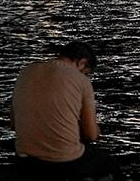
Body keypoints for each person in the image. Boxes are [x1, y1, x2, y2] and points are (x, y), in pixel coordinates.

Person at [10, 41, 122, 180]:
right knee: (110, 165)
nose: (85, 76)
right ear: (82, 63)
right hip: (63, 163)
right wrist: (96, 130)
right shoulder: (81, 80)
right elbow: (91, 135)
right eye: (86, 73)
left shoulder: (26, 71)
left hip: (24, 161)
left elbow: (14, 124)